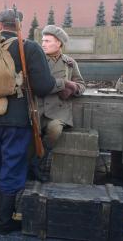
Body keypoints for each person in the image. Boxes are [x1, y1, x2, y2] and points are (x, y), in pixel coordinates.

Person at [0, 9, 55, 235]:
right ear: (19, 24)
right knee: (13, 166)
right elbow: (44, 86)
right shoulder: (29, 48)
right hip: (17, 120)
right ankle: (4, 221)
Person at [34, 25, 86, 181]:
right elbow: (36, 83)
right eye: (42, 40)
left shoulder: (69, 62)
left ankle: (37, 164)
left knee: (55, 130)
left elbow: (81, 84)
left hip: (58, 109)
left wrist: (73, 88)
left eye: (48, 41)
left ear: (59, 43)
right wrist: (63, 83)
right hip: (37, 107)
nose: (43, 44)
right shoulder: (36, 60)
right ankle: (28, 165)